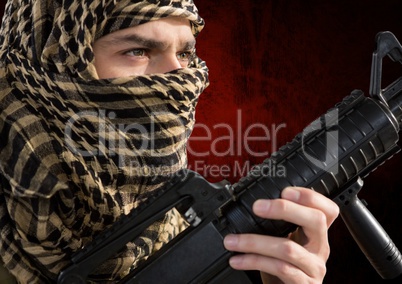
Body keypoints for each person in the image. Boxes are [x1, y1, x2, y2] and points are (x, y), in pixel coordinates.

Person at [0, 0, 339, 283]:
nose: (180, 78)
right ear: (52, 63)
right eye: (138, 50)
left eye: (186, 54)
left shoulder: (180, 223)